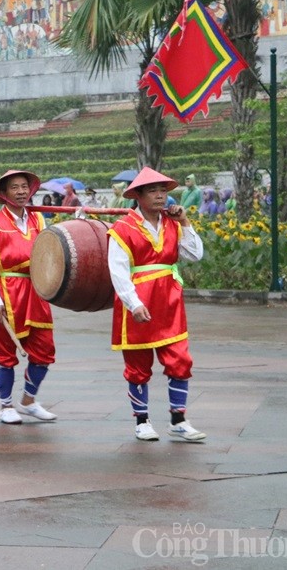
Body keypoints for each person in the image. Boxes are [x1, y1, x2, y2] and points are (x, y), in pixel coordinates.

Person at [107, 167, 206, 442]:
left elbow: (195, 254)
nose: (161, 196)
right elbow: (117, 270)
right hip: (139, 301)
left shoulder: (173, 223)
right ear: (137, 196)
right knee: (138, 363)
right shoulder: (122, 229)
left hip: (169, 300)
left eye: (164, 190)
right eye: (153, 191)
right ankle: (142, 420)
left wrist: (185, 222)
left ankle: (178, 419)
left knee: (180, 359)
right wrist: (133, 303)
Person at [0, 170, 58, 424]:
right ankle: (6, 405)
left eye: (25, 187)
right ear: (3, 193)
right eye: (15, 187)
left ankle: (29, 400)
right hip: (7, 292)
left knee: (44, 350)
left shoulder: (38, 221)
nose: (22, 191)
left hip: (36, 292)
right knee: (5, 353)